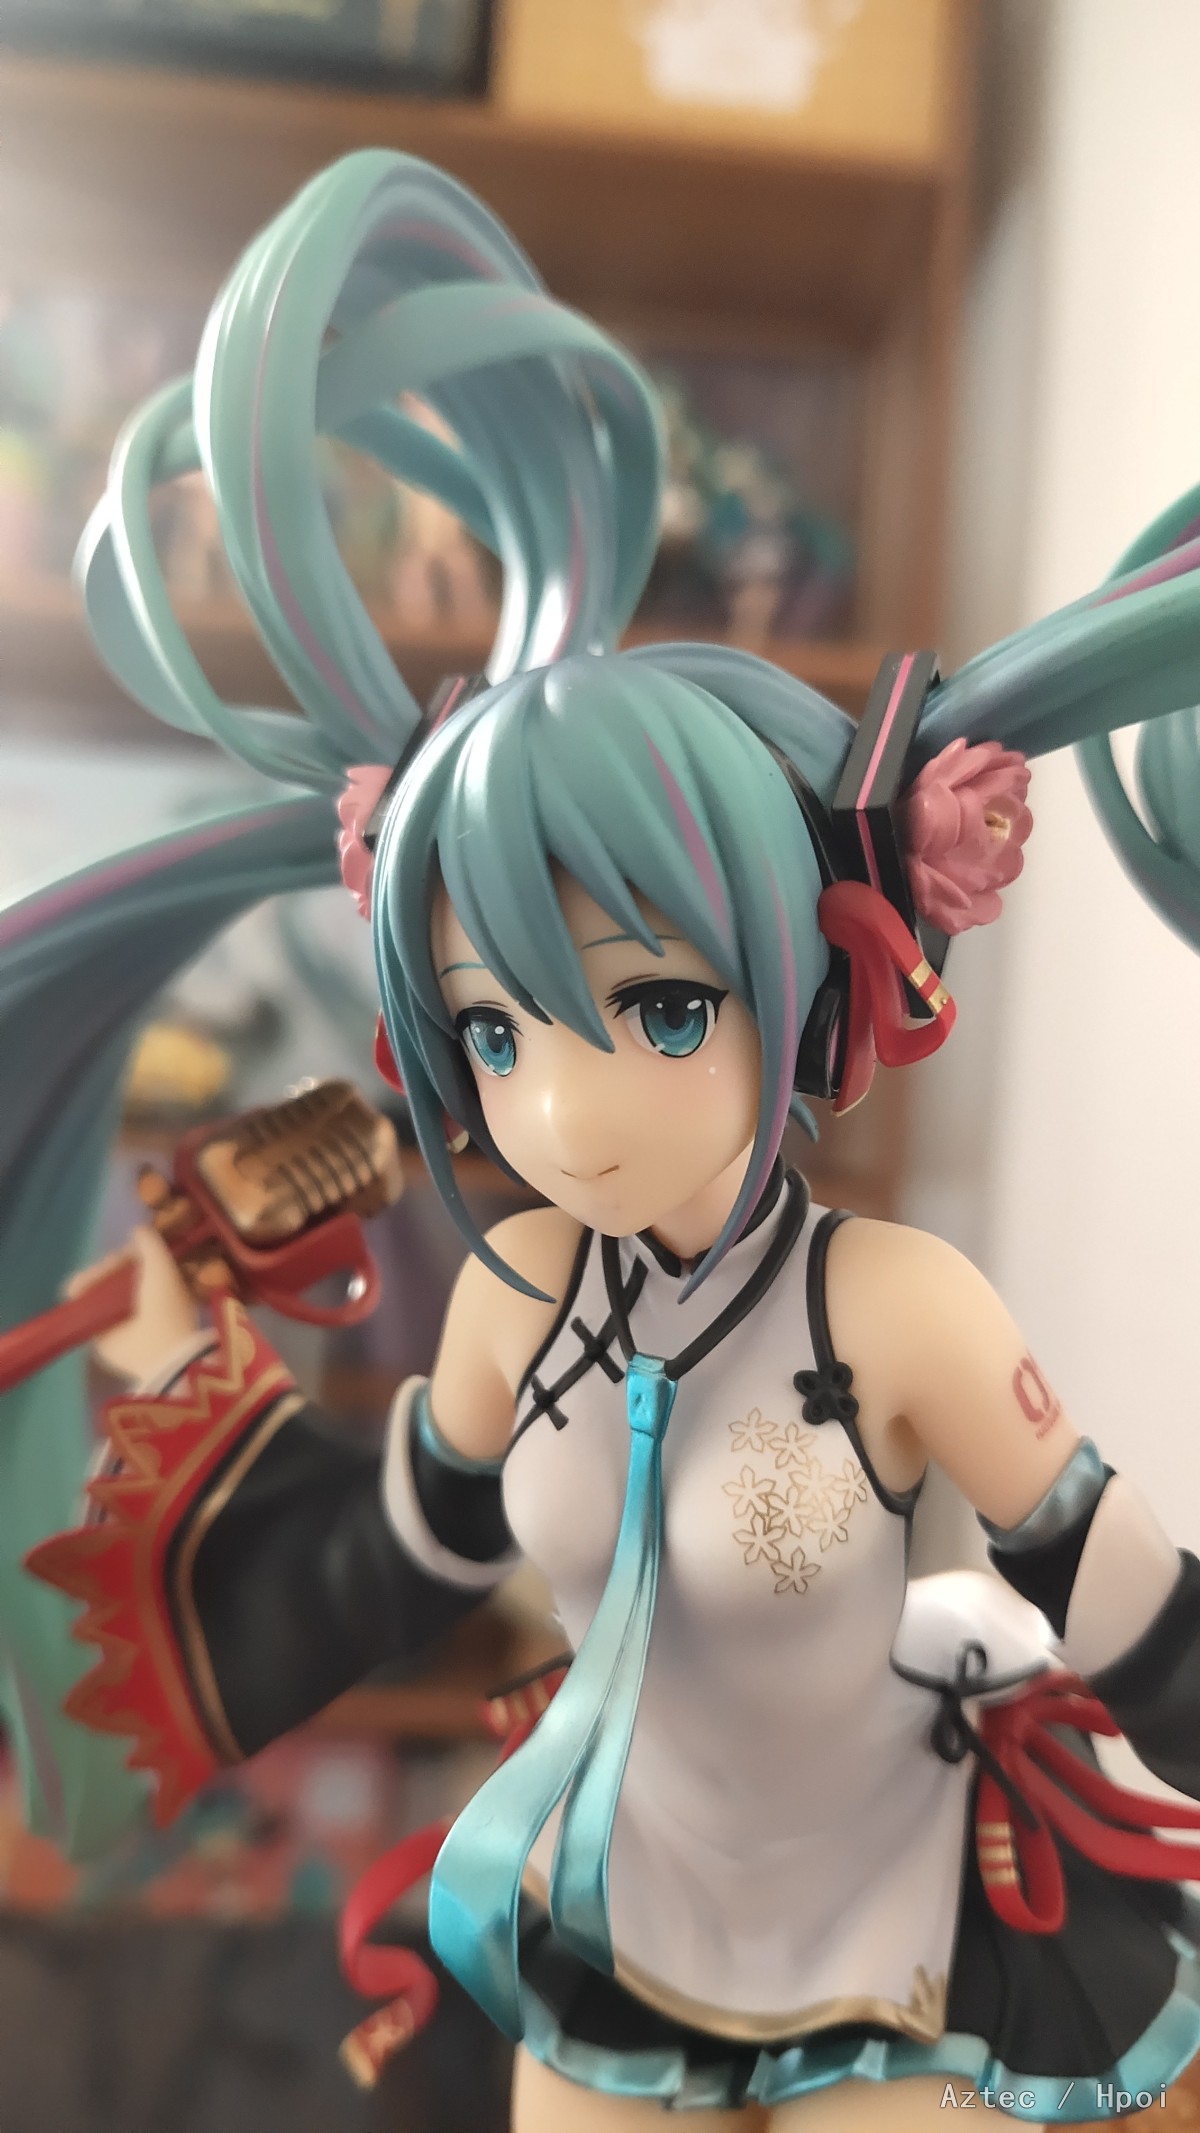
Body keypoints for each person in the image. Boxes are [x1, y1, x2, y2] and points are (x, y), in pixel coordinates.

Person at [5, 149, 1200, 2131]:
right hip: (615, 1922)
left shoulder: (897, 1307)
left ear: (807, 979)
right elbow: (371, 1569)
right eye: (494, 1027)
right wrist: (138, 1395)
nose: (561, 1109)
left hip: (892, 1917)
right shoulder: (512, 1302)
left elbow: (1140, 1612)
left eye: (658, 1007)